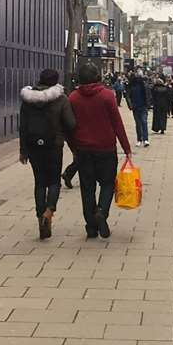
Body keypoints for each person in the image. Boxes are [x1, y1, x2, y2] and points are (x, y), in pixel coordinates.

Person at [67, 60, 133, 239]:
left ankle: (90, 226)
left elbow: (69, 126)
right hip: (105, 148)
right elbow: (117, 123)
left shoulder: (73, 98)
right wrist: (126, 147)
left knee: (87, 188)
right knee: (107, 184)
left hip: (83, 149)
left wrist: (73, 147)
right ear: (97, 76)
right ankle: (102, 212)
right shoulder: (107, 96)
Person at [18, 68, 75, 241]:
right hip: (54, 145)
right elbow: (71, 124)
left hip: (33, 146)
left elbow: (23, 127)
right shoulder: (61, 99)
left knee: (39, 182)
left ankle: (39, 216)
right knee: (53, 181)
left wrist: (23, 150)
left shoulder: (27, 100)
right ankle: (49, 211)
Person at [126, 68, 150, 147]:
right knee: (138, 123)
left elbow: (148, 95)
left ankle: (145, 139)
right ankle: (139, 139)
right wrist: (131, 105)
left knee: (144, 122)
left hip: (143, 106)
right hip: (136, 107)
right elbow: (128, 96)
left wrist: (148, 104)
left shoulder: (144, 85)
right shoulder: (131, 85)